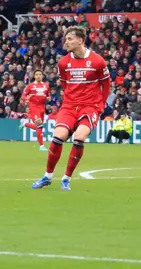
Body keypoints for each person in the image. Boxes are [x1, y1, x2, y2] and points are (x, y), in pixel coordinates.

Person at [32, 26, 110, 191]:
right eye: (65, 39)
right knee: (58, 136)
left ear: (80, 40)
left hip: (90, 107)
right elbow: (65, 84)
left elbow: (106, 85)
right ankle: (47, 176)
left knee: (80, 137)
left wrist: (100, 106)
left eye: (69, 39)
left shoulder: (97, 61)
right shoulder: (63, 63)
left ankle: (66, 179)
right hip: (68, 106)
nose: (65, 42)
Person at [19, 70, 50, 151]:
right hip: (33, 107)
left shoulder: (46, 85)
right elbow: (23, 95)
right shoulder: (30, 85)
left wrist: (48, 98)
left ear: (42, 76)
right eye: (37, 74)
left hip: (42, 107)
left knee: (38, 127)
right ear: (34, 76)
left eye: (40, 74)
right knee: (39, 125)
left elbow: (47, 96)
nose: (38, 76)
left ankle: (25, 124)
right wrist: (26, 99)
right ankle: (41, 146)